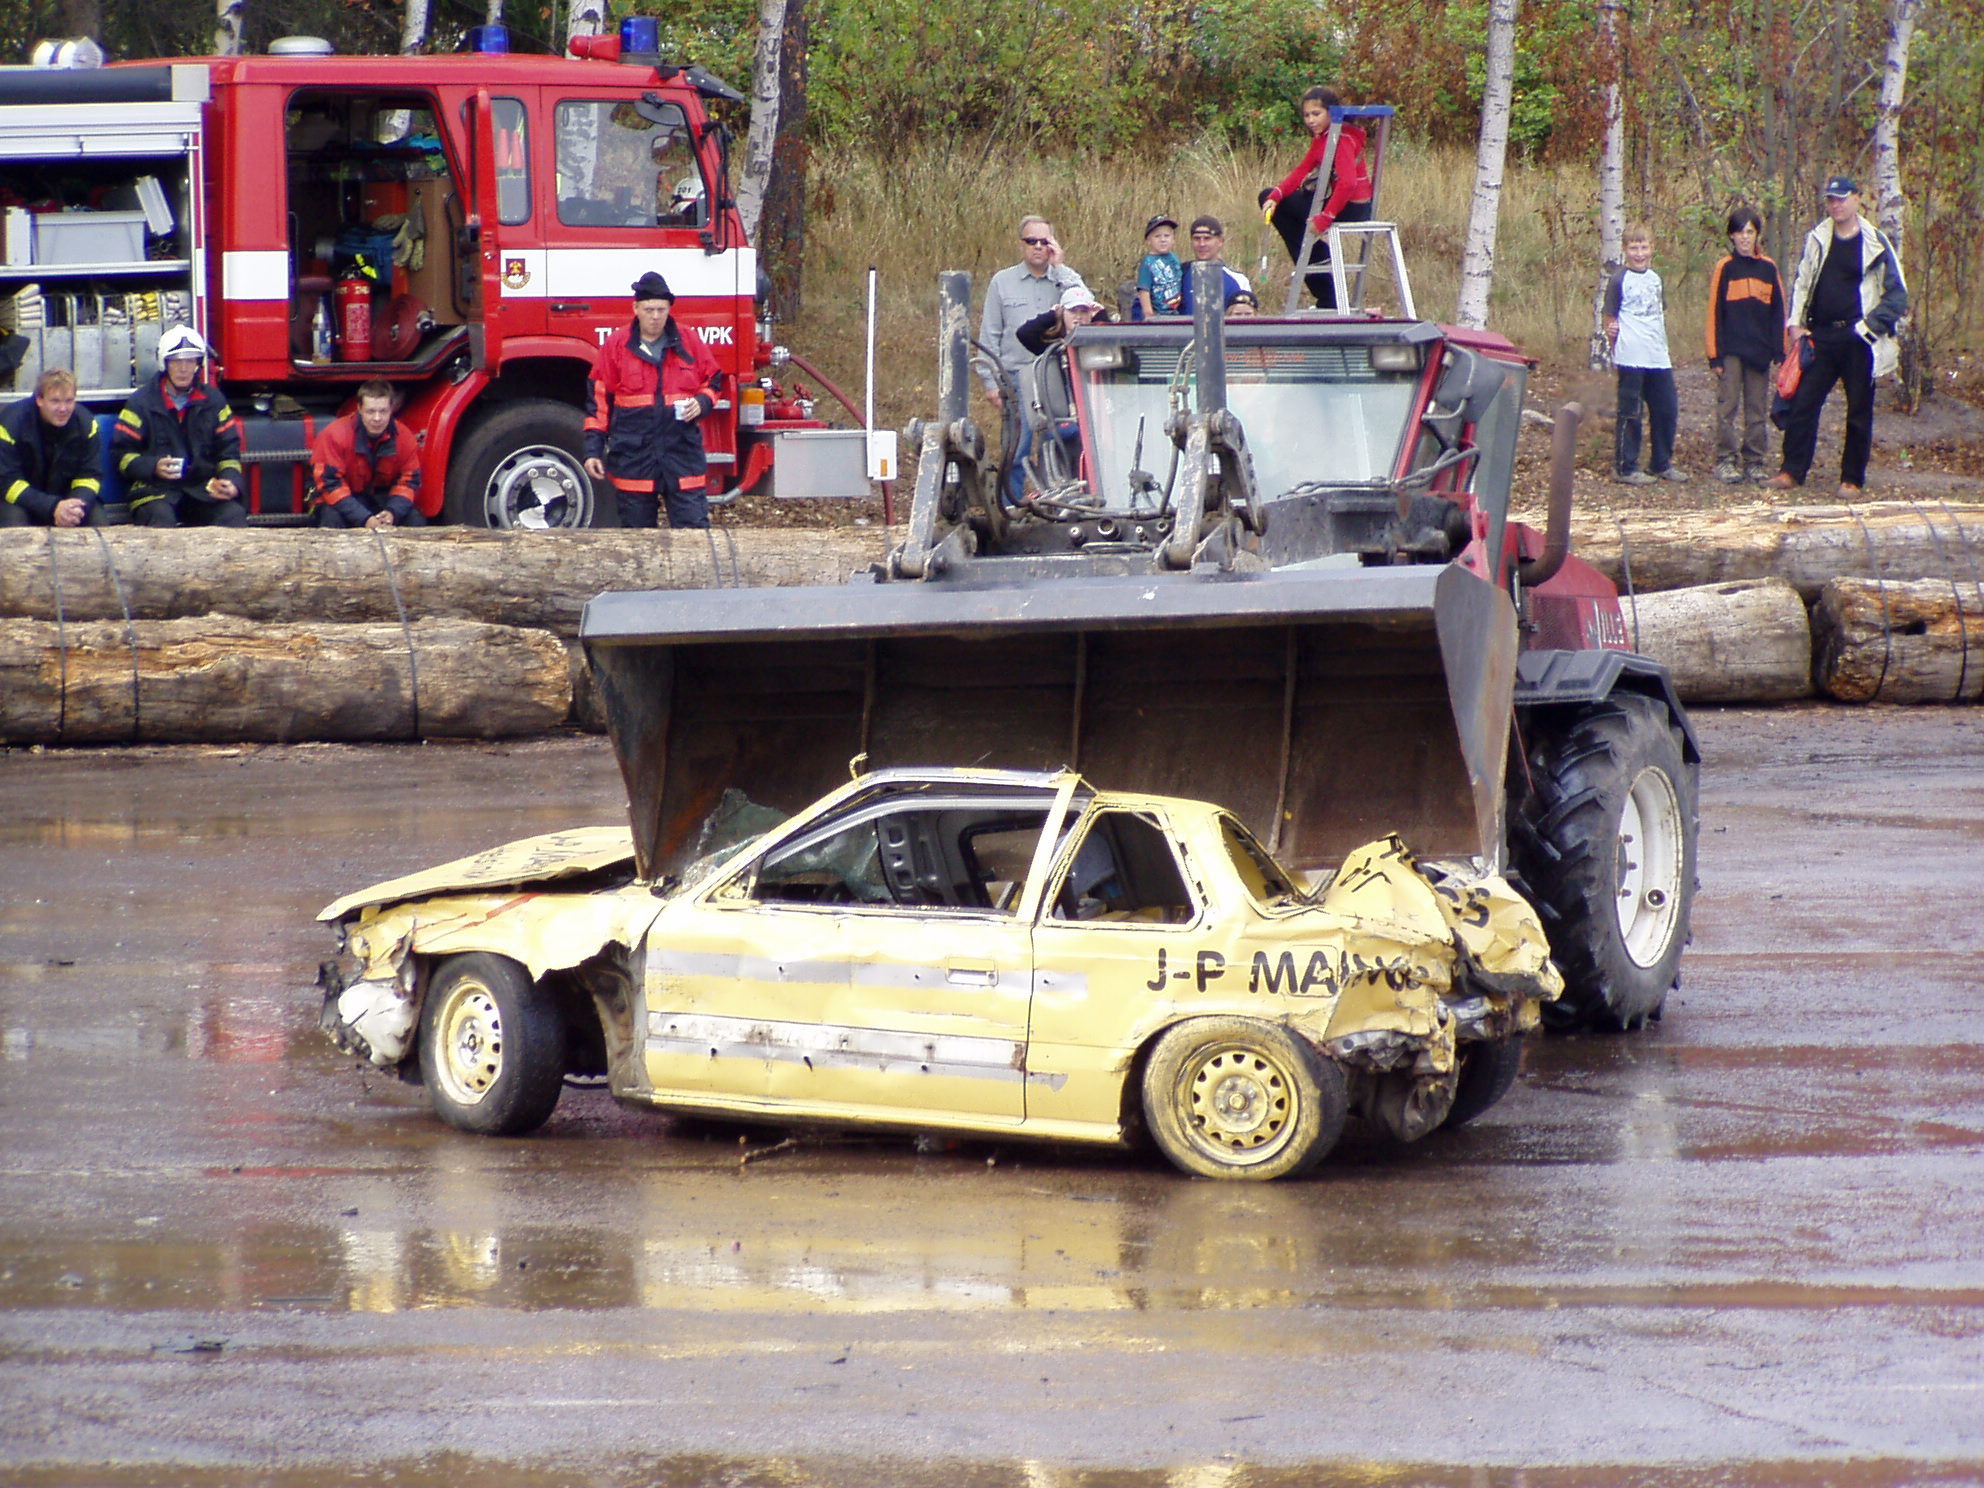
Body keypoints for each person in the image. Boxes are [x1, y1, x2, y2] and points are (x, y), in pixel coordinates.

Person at [1771, 176, 1909, 497]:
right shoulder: (1818, 237)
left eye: (1842, 198)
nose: (1836, 205)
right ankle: (1792, 470)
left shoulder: (1875, 241)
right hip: (1821, 335)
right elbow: (1802, 282)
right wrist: (1795, 323)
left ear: (1857, 199)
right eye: (1831, 200)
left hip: (1859, 340)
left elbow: (1897, 295)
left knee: (1859, 411)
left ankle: (1852, 478)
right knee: (1803, 403)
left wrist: (1868, 328)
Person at [583, 271, 722, 528]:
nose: (655, 316)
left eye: (661, 309)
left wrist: (702, 403)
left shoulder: (688, 341)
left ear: (670, 308)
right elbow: (599, 403)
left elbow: (714, 381)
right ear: (635, 308)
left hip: (682, 458)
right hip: (635, 460)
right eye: (649, 309)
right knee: (638, 545)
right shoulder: (616, 345)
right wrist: (593, 450)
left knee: (694, 540)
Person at [979, 215, 1087, 503]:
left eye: (1045, 241)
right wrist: (990, 383)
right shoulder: (1001, 282)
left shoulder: (1064, 279)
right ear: (1021, 244)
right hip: (1016, 377)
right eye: (1032, 241)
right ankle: (1010, 509)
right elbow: (989, 333)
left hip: (1056, 378)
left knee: (1058, 447)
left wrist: (1060, 265)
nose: (1038, 247)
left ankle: (1058, 505)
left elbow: (1086, 303)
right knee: (1017, 448)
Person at [114, 326, 247, 527]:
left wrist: (231, 482)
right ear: (164, 363)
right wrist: (153, 467)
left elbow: (228, 453)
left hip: (202, 490)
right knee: (161, 519)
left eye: (190, 360)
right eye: (177, 361)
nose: (183, 368)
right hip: (155, 492)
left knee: (232, 515)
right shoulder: (141, 403)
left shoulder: (214, 401)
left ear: (197, 364)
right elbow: (121, 455)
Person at [1260, 86, 1374, 309]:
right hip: (1341, 202)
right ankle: (1322, 273)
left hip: (1351, 207)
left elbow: (1348, 184)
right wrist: (1276, 195)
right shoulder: (1323, 137)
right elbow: (1302, 169)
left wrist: (1325, 218)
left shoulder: (1340, 139)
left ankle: (1325, 282)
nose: (1311, 120)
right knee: (1272, 202)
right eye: (1306, 115)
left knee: (1293, 224)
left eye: (1316, 114)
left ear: (1331, 113)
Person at [1705, 206, 1786, 484]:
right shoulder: (1724, 268)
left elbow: (1779, 311)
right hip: (1730, 351)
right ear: (1731, 236)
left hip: (1759, 352)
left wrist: (1780, 349)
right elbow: (1714, 311)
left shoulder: (1768, 268)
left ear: (1757, 235)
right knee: (1727, 406)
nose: (1744, 238)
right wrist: (1714, 355)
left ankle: (1755, 460)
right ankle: (1726, 460)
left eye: (1749, 232)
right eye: (1739, 233)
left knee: (1756, 408)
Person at [1603, 225, 1686, 486]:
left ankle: (1661, 463)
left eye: (1644, 247)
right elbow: (1609, 317)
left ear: (1652, 249)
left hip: (1657, 355)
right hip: (1631, 355)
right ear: (1626, 250)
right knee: (1631, 412)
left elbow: (1659, 312)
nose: (1639, 253)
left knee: (1666, 409)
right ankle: (1625, 466)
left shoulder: (1655, 279)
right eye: (1633, 248)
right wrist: (1613, 338)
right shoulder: (1619, 280)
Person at [309, 380, 425, 528]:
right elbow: (329, 485)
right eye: (371, 411)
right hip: (342, 502)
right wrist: (364, 519)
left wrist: (392, 512)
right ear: (360, 409)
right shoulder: (334, 435)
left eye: (383, 411)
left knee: (415, 519)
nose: (377, 418)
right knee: (332, 517)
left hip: (380, 501)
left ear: (391, 409)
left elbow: (409, 481)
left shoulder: (404, 437)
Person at [0, 368, 103, 528]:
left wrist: (73, 508)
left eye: (69, 401)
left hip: (68, 503)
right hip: (22, 503)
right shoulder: (10, 423)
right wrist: (52, 507)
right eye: (55, 401)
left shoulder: (86, 424)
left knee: (97, 519)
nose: (63, 409)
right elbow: (7, 482)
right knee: (14, 521)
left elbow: (90, 476)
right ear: (39, 399)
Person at [1177, 218, 1253, 316]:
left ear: (1220, 241)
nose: (1202, 244)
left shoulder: (1238, 280)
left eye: (1207, 238)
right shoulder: (1178, 276)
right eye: (1197, 239)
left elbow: (1246, 320)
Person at [1134, 215, 1183, 321]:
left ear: (1173, 239)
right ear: (1148, 240)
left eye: (1167, 236)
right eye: (1157, 236)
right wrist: (1149, 314)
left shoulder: (1174, 258)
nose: (1163, 240)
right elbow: (1144, 290)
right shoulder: (1148, 263)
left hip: (1175, 312)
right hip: (1158, 314)